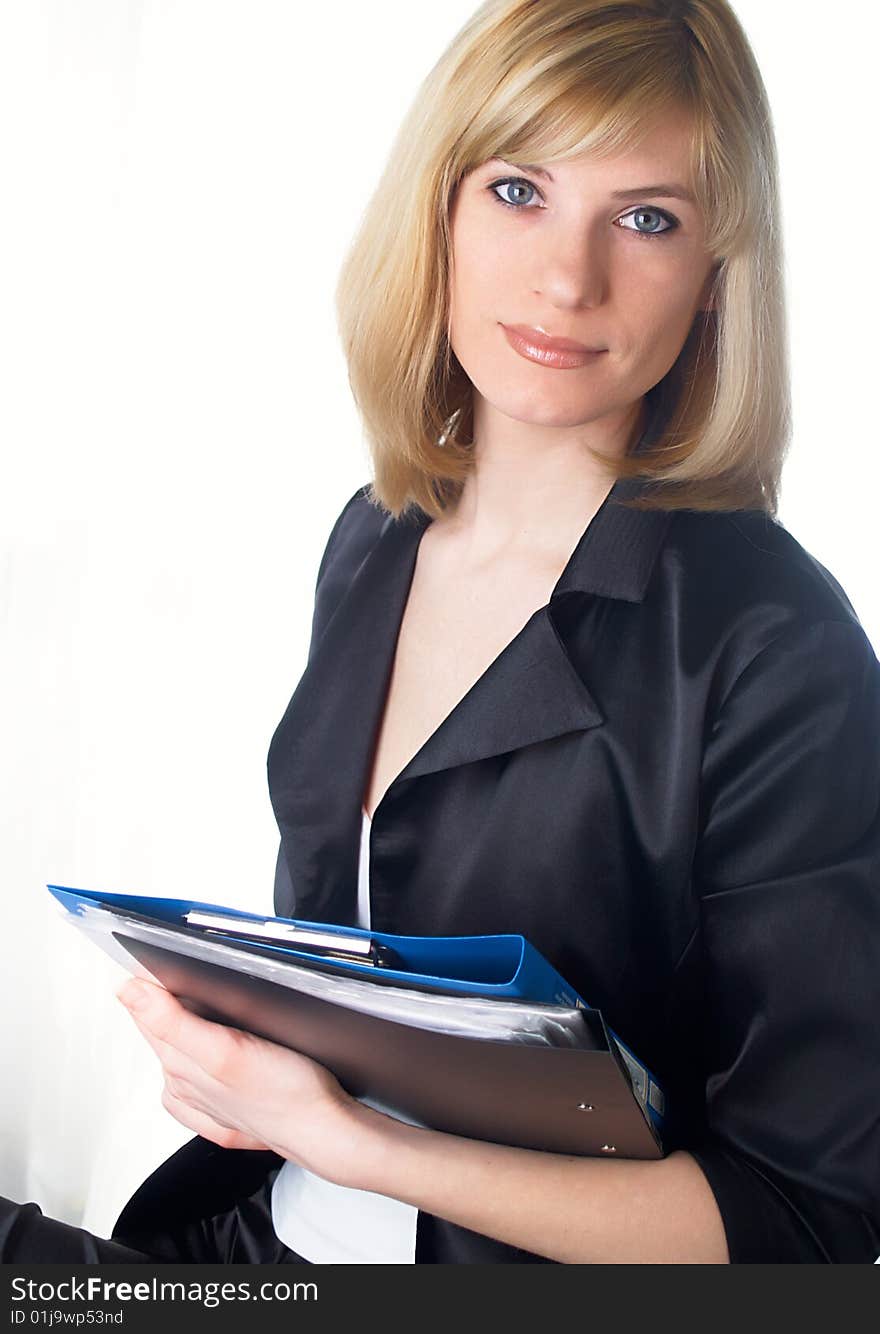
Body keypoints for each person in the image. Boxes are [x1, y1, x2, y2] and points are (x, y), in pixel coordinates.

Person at [1, 0, 878, 1264]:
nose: (568, 279)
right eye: (519, 190)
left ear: (713, 272)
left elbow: (813, 1219)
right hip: (265, 1245)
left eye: (645, 219)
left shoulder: (771, 642)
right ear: (441, 210)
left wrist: (356, 1143)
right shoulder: (377, 535)